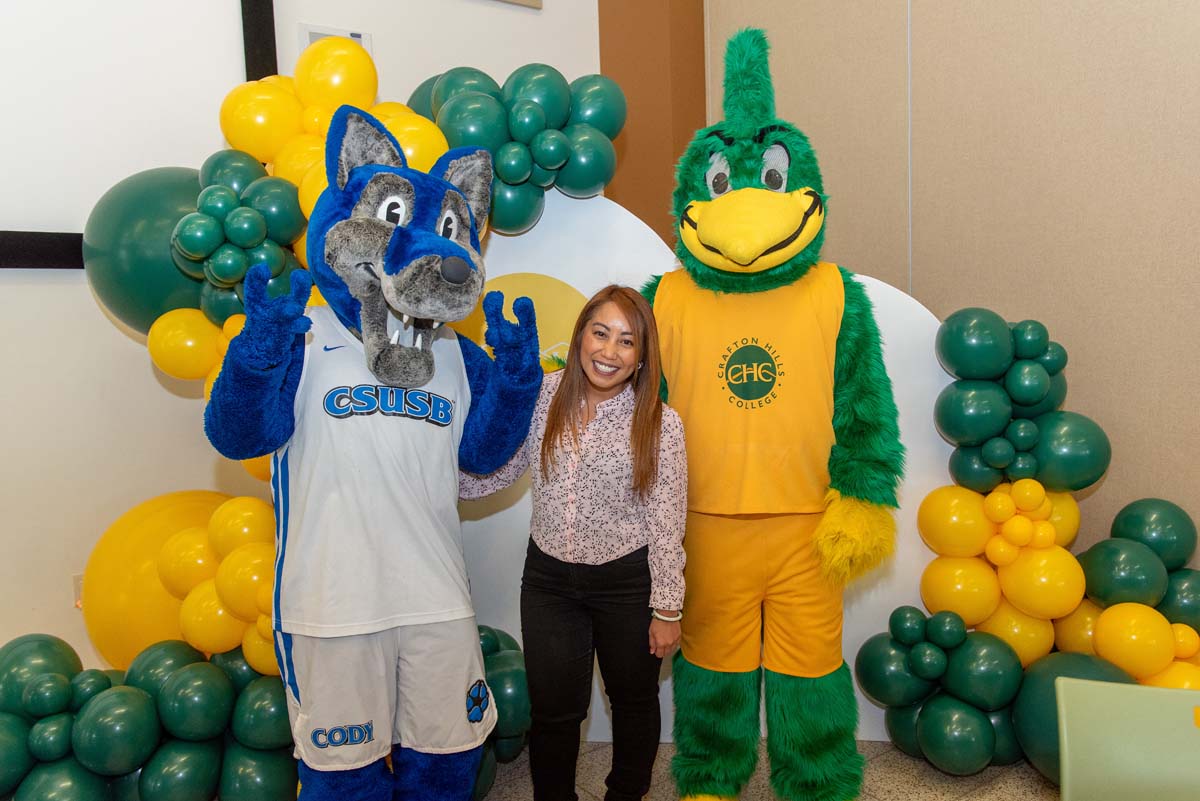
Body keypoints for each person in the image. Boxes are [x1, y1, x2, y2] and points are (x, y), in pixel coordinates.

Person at [461, 284, 687, 801]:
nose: (609, 352)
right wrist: (438, 483)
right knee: (555, 709)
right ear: (581, 333)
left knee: (632, 700)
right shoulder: (543, 395)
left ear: (642, 355)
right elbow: (505, 467)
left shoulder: (659, 423)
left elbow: (666, 522)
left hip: (627, 583)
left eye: (626, 342)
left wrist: (667, 609)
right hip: (548, 581)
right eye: (600, 333)